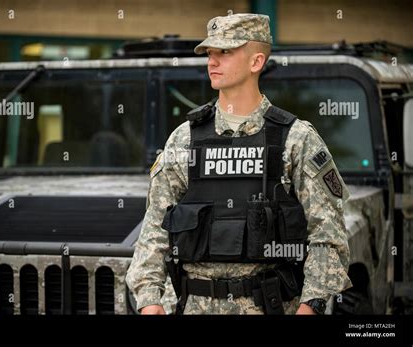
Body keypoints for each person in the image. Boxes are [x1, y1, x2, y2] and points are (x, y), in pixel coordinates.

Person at [126, 13, 352, 315]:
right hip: (192, 306)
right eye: (210, 53)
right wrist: (149, 299)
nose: (212, 61)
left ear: (256, 62)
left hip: (269, 305)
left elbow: (327, 236)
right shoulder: (185, 140)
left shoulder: (295, 139)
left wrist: (310, 306)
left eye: (225, 52)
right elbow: (154, 228)